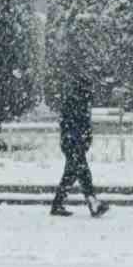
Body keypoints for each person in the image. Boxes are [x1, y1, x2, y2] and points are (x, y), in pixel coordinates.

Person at [51, 81, 108, 218]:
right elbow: (73, 125)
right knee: (83, 174)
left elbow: (78, 125)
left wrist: (84, 141)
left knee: (70, 176)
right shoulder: (76, 103)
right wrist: (79, 142)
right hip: (74, 145)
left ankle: (57, 205)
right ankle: (93, 204)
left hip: (75, 145)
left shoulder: (80, 102)